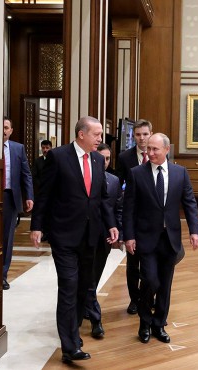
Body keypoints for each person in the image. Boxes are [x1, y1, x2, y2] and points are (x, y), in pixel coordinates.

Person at [30, 116, 118, 363]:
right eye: (97, 134)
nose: (100, 139)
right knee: (68, 287)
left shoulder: (99, 160)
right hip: (64, 235)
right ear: (82, 134)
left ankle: (73, 334)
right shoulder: (58, 157)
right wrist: (36, 225)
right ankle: (69, 346)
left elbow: (101, 199)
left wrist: (111, 224)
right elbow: (44, 194)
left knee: (83, 288)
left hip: (91, 236)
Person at [123, 133, 198, 344]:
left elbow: (190, 203)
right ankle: (144, 322)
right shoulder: (136, 173)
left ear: (167, 150)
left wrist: (195, 231)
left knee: (165, 285)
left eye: (155, 149)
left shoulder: (180, 173)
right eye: (149, 149)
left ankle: (158, 325)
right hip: (145, 238)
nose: (150, 153)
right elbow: (128, 208)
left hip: (170, 238)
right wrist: (128, 236)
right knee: (150, 280)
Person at [84, 143, 123, 339]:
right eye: (101, 158)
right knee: (87, 279)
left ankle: (87, 305)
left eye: (107, 159)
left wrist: (118, 233)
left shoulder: (114, 181)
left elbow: (118, 210)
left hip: (103, 238)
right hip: (82, 236)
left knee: (94, 277)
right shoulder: (83, 177)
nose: (104, 163)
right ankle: (95, 319)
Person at [115, 119, 153, 315]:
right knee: (133, 262)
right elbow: (118, 186)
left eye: (145, 134)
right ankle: (134, 299)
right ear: (133, 136)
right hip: (132, 215)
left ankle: (148, 297)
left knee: (150, 261)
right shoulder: (124, 157)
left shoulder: (157, 154)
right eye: (138, 134)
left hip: (152, 217)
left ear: (150, 134)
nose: (142, 138)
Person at [2, 117, 34, 291]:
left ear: (11, 130)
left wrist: (29, 196)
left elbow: (26, 174)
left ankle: (2, 275)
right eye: (0, 127)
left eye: (6, 127)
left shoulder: (18, 148)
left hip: (9, 197)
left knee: (7, 238)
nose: (3, 130)